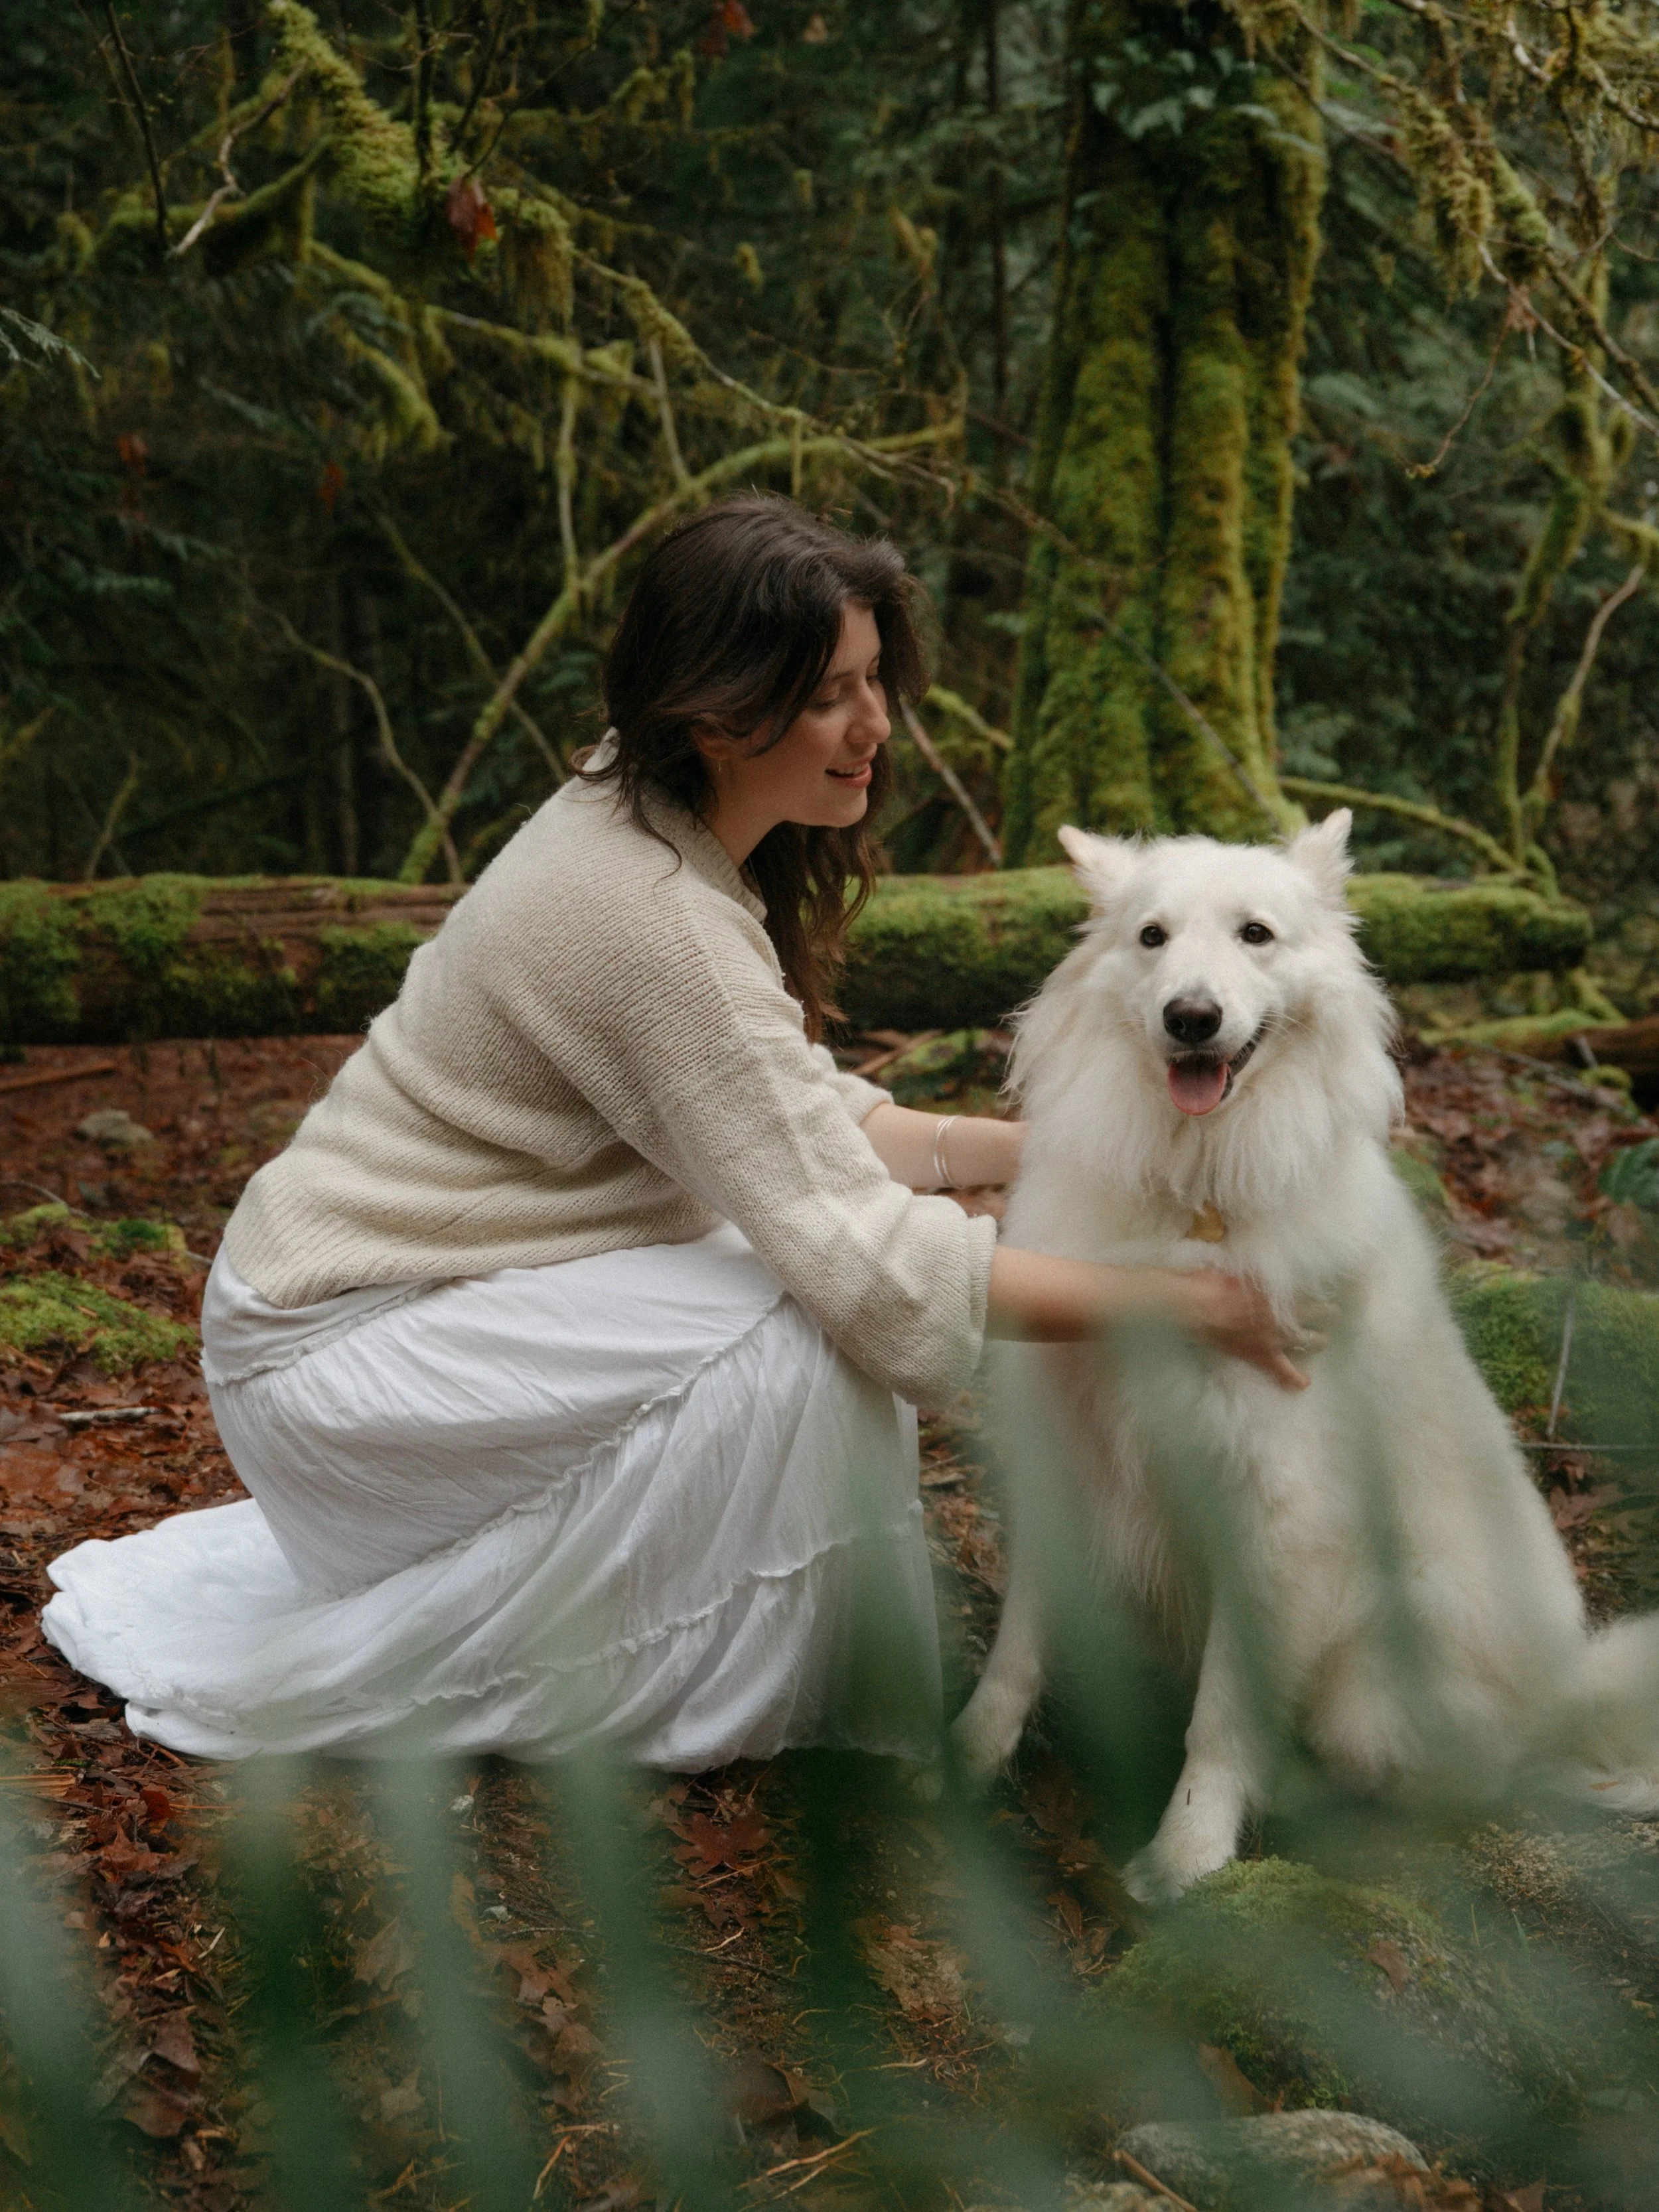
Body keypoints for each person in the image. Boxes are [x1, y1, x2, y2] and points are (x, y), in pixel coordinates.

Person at [42, 498, 1303, 1768]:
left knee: (786, 1286)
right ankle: (691, 1684)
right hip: (339, 1364)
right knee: (797, 1324)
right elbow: (871, 1266)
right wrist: (1195, 1303)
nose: (873, 726)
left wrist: (1052, 1153)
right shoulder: (651, 912)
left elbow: (785, 1111)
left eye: (874, 683)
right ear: (714, 711)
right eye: (828, 697)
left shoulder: (646, 809)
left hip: (370, 1314)